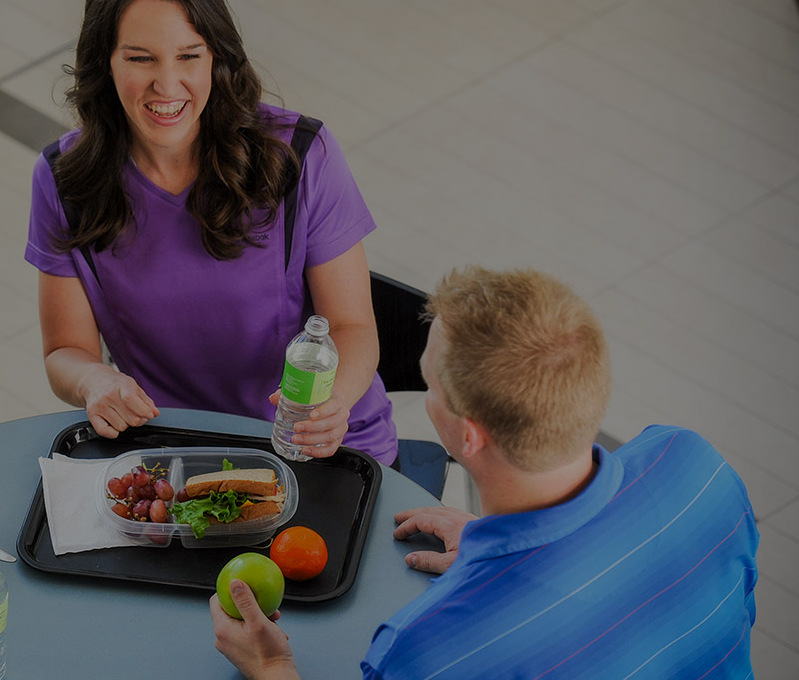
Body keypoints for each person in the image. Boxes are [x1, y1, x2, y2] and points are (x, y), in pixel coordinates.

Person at [212, 266, 759, 678]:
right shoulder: (697, 465)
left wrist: (273, 669)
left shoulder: (428, 649)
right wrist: (499, 546)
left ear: (468, 435)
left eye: (430, 384)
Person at [26, 0, 396, 464]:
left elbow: (353, 327)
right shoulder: (64, 180)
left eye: (188, 56)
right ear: (103, 63)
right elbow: (67, 351)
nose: (167, 84)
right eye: (140, 58)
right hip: (173, 452)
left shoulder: (299, 155)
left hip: (316, 449)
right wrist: (94, 381)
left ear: (216, 56)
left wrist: (332, 404)